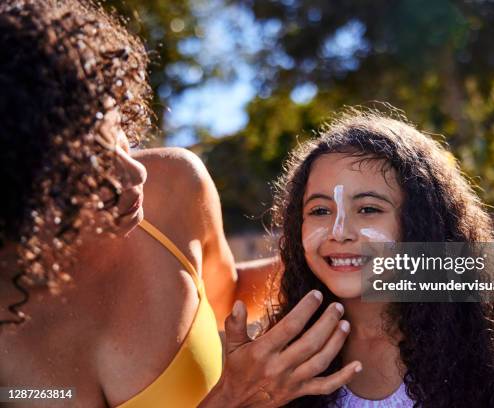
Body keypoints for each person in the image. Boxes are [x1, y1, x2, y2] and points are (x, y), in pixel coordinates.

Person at [0, 1, 361, 406]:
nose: (133, 174)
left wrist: (388, 262)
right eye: (91, 165)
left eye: (116, 131)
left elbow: (228, 295)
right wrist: (230, 398)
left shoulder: (172, 187)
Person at [266, 108, 494, 407]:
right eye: (320, 211)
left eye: (368, 209)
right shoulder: (281, 356)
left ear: (421, 225)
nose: (340, 232)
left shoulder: (471, 341)